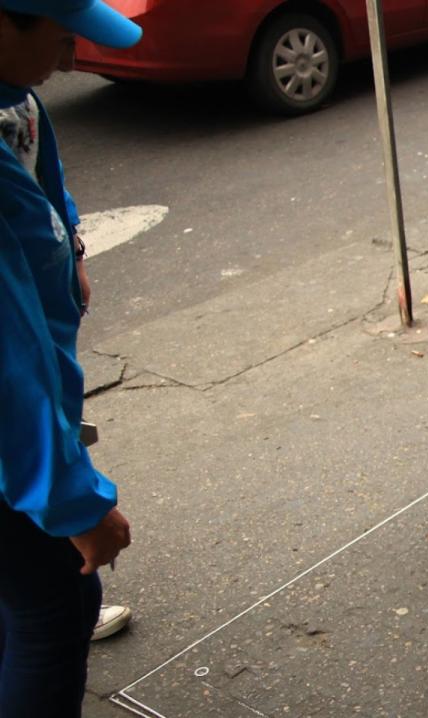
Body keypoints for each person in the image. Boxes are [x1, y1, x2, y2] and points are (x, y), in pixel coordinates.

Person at [0, 2, 141, 715]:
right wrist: (76, 505)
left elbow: (42, 173)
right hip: (15, 444)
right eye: (59, 39)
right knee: (59, 604)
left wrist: (71, 245)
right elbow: (6, 370)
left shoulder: (12, 99)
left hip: (33, 414)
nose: (69, 61)